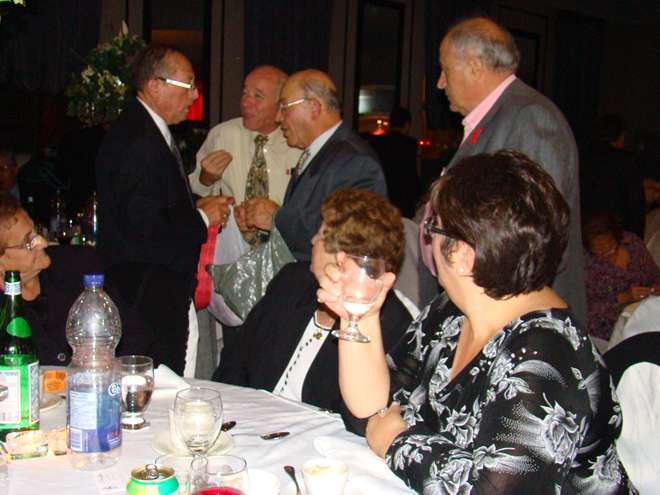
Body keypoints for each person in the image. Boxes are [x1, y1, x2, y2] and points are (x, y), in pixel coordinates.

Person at [318, 151, 634, 493]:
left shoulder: (548, 354)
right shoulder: (451, 314)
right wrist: (360, 317)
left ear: (462, 256)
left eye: (433, 227)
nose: (428, 240)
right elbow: (370, 412)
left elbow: (495, 490)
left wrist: (398, 442)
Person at [213, 189, 412, 428]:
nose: (312, 241)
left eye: (321, 234)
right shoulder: (292, 282)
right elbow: (235, 360)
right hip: (247, 427)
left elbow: (366, 421)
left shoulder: (391, 324)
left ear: (342, 256)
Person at [434, 16, 587, 324]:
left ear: (474, 66)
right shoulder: (497, 118)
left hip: (520, 320)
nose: (440, 82)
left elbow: (532, 241)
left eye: (446, 69)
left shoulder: (530, 118)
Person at [96, 45, 233, 374]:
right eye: (188, 85)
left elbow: (156, 202)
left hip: (153, 287)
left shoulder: (146, 128)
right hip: (148, 291)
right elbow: (144, 227)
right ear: (154, 86)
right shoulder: (138, 139)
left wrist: (195, 202)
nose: (195, 95)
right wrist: (203, 217)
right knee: (161, 382)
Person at [242, 69, 387, 261]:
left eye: (284, 107)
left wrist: (276, 218)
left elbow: (349, 239)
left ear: (314, 107)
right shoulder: (321, 151)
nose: (278, 117)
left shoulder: (357, 161)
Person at [0, 193, 153, 364]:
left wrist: (106, 361)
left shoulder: (77, 266)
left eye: (36, 232)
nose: (43, 242)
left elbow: (135, 334)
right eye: (28, 242)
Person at [190, 65, 302, 244]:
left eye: (258, 96)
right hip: (231, 247)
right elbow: (193, 193)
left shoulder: (299, 142)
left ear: (281, 104)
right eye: (245, 93)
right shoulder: (223, 135)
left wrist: (274, 216)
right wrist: (206, 179)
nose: (246, 102)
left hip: (284, 248)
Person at [582, 209, 660, 341]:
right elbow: (587, 313)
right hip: (610, 333)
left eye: (609, 245)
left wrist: (654, 289)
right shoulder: (586, 266)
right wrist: (622, 298)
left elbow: (654, 276)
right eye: (598, 248)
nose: (605, 251)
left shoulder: (632, 243)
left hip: (646, 315)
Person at [580, 115, 645, 238]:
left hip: (583, 232)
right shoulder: (626, 162)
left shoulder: (581, 157)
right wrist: (635, 239)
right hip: (615, 234)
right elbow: (635, 206)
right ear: (621, 136)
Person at [368, 107, 422, 218]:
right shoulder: (409, 144)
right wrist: (419, 193)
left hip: (382, 192)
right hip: (403, 196)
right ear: (407, 125)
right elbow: (411, 172)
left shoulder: (377, 142)